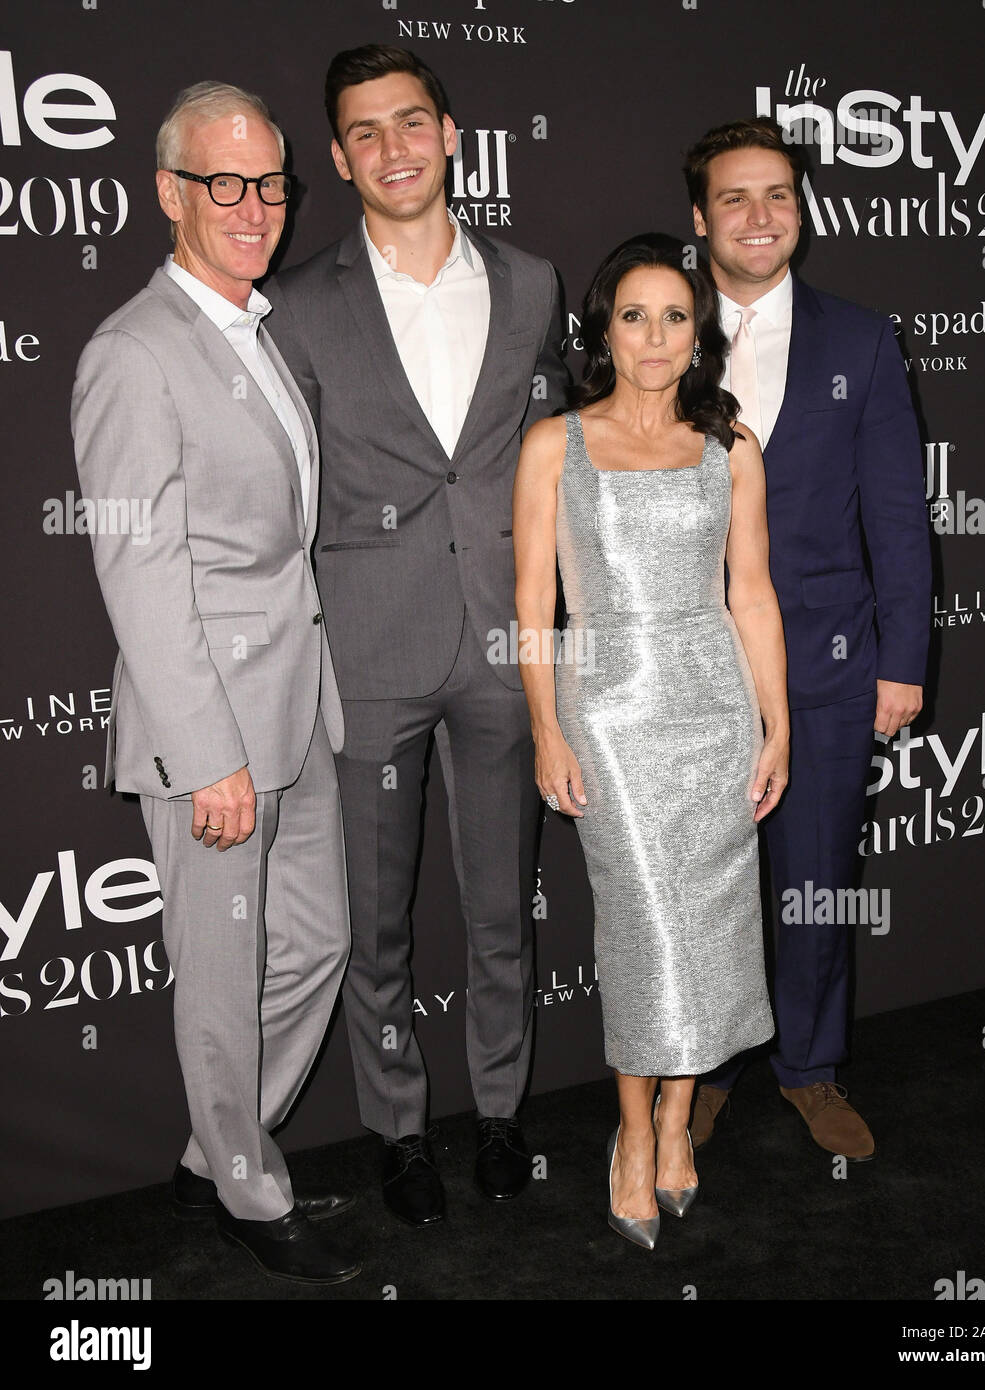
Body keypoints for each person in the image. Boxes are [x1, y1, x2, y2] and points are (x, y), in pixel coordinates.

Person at [265, 44, 569, 1227]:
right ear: (338, 158)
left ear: (452, 134)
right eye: (365, 132)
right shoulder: (293, 306)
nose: (393, 147)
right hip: (370, 655)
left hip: (507, 647)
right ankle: (397, 1127)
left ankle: (500, 1111)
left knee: (505, 905)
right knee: (371, 925)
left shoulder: (535, 280)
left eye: (412, 121)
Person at [70, 82, 359, 1285]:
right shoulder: (134, 353)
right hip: (216, 739)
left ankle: (213, 1155)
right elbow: (138, 574)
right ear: (168, 193)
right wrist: (208, 754)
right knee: (223, 976)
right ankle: (246, 1191)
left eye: (272, 184)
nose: (255, 207)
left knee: (316, 949)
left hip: (296, 706)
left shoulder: (257, 327)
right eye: (224, 183)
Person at [513, 234, 789, 1248]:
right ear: (604, 329)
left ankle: (679, 1122)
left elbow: (752, 596)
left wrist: (778, 723)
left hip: (714, 705)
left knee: (714, 929)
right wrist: (548, 726)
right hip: (612, 713)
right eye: (636, 315)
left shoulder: (732, 447)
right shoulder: (556, 445)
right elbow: (532, 606)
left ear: (699, 331)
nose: (657, 336)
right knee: (642, 934)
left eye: (676, 315)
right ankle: (631, 1133)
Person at [684, 119, 931, 1159]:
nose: (759, 216)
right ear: (699, 220)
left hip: (828, 665)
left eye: (778, 195)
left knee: (816, 873)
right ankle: (702, 1064)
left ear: (802, 211)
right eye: (735, 198)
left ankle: (812, 1066)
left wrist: (901, 662)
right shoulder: (655, 328)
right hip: (688, 668)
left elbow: (897, 515)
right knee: (700, 882)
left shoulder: (860, 339)